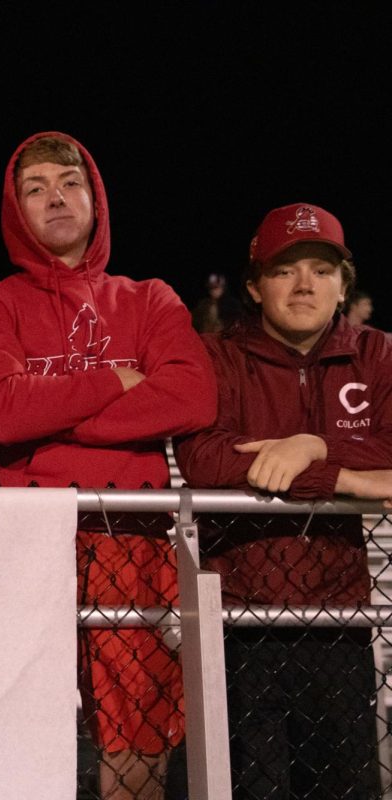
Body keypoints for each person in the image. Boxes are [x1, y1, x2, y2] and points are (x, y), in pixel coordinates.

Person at [0, 132, 216, 799]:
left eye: (69, 181)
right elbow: (2, 414)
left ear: (96, 198)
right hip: (26, 547)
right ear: (15, 211)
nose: (54, 197)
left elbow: (191, 396)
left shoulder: (150, 298)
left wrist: (52, 407)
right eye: (34, 187)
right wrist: (116, 382)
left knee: (138, 748)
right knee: (14, 735)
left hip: (131, 537)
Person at [175, 203, 391, 799]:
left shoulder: (376, 355)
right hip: (236, 621)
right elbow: (206, 459)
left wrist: (312, 446)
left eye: (321, 270)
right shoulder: (217, 355)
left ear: (343, 285)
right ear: (254, 284)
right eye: (285, 270)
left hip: (339, 621)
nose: (304, 285)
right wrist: (344, 477)